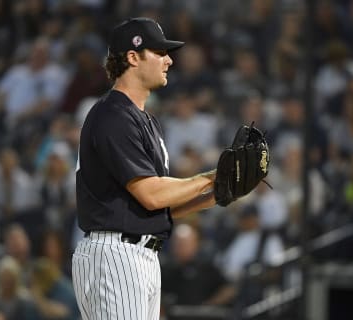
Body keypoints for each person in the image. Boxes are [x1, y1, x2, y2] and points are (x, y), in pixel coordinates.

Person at [71, 17, 217, 320]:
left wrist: (218, 192)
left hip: (138, 253)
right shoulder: (113, 115)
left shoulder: (144, 120)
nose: (169, 60)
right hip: (116, 255)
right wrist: (209, 177)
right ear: (133, 57)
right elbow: (151, 195)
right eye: (159, 52)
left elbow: (158, 209)